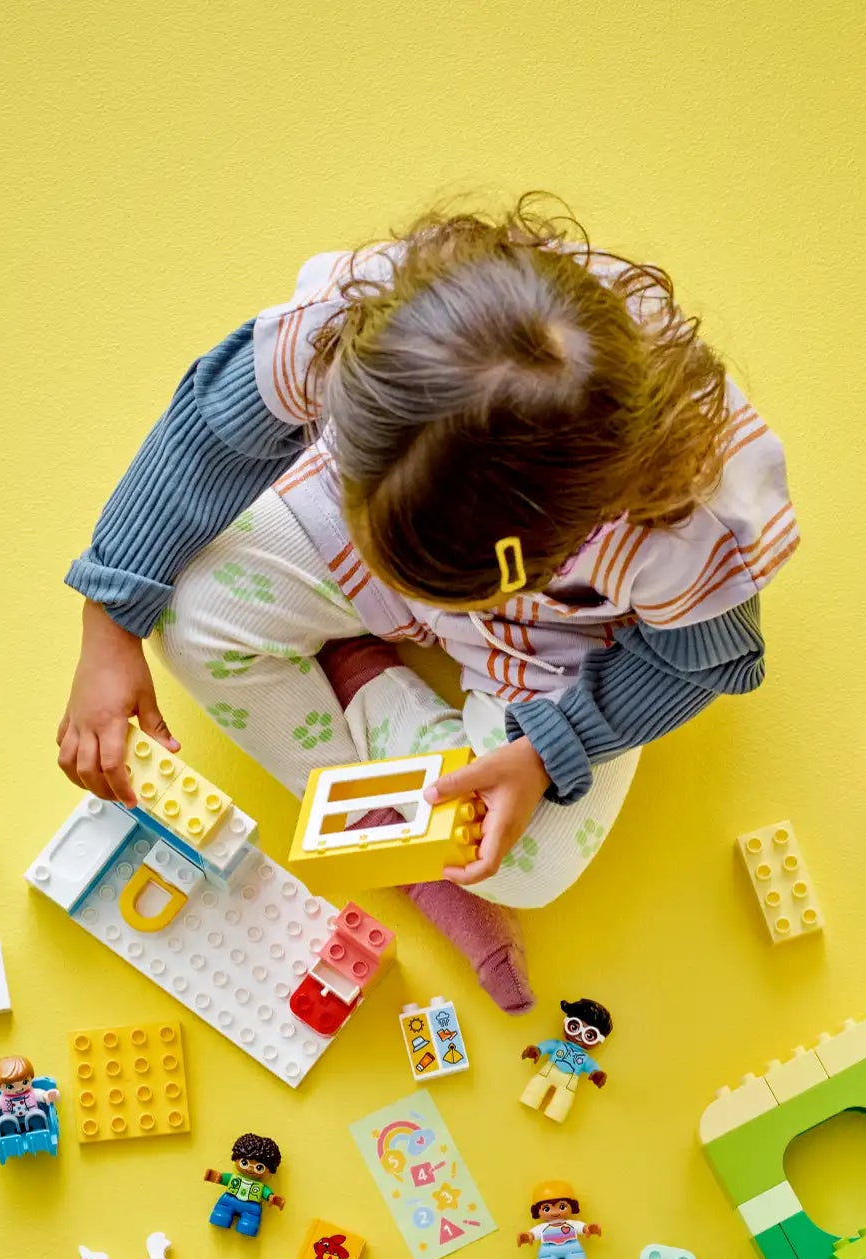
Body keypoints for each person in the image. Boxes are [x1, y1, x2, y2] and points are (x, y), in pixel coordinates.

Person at [56, 195, 797, 1013]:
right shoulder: (361, 333)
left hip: (548, 635)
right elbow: (214, 429)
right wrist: (111, 614)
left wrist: (553, 747)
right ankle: (413, 840)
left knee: (533, 868)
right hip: (378, 516)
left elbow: (696, 657)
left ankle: (369, 698)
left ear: (552, 542)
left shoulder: (683, 528)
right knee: (189, 615)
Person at [520, 998, 613, 1123]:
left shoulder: (585, 1059)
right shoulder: (557, 1044)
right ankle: (530, 1099)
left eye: (589, 1035)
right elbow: (546, 1046)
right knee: (536, 1087)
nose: (579, 1035)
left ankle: (556, 1114)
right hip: (548, 1072)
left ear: (599, 1040)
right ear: (566, 1022)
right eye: (574, 1026)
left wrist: (596, 1074)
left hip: (569, 1082)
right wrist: (537, 1050)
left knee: (562, 1101)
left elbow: (592, 1067)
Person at [518, 1181, 602, 1259]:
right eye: (547, 1209)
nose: (555, 1212)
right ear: (537, 1211)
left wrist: (588, 1229)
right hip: (549, 1250)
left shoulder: (571, 1224)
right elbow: (534, 1233)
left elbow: (581, 1227)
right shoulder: (543, 1227)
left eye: (562, 1207)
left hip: (572, 1248)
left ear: (572, 1206)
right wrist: (528, 1236)